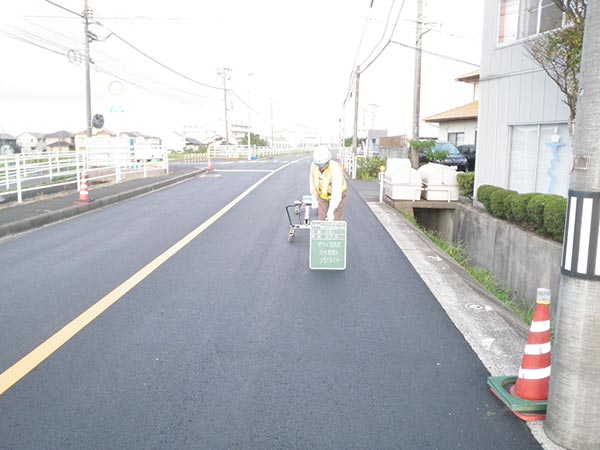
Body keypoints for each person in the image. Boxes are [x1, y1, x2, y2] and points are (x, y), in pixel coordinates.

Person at [309, 147, 347, 221]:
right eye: (318, 165)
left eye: (323, 165)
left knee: (334, 219)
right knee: (322, 218)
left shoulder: (336, 169)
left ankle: (334, 228)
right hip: (322, 195)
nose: (321, 167)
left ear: (328, 161)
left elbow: (336, 193)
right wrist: (314, 198)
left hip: (338, 194)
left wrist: (331, 211)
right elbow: (312, 183)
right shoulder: (313, 166)